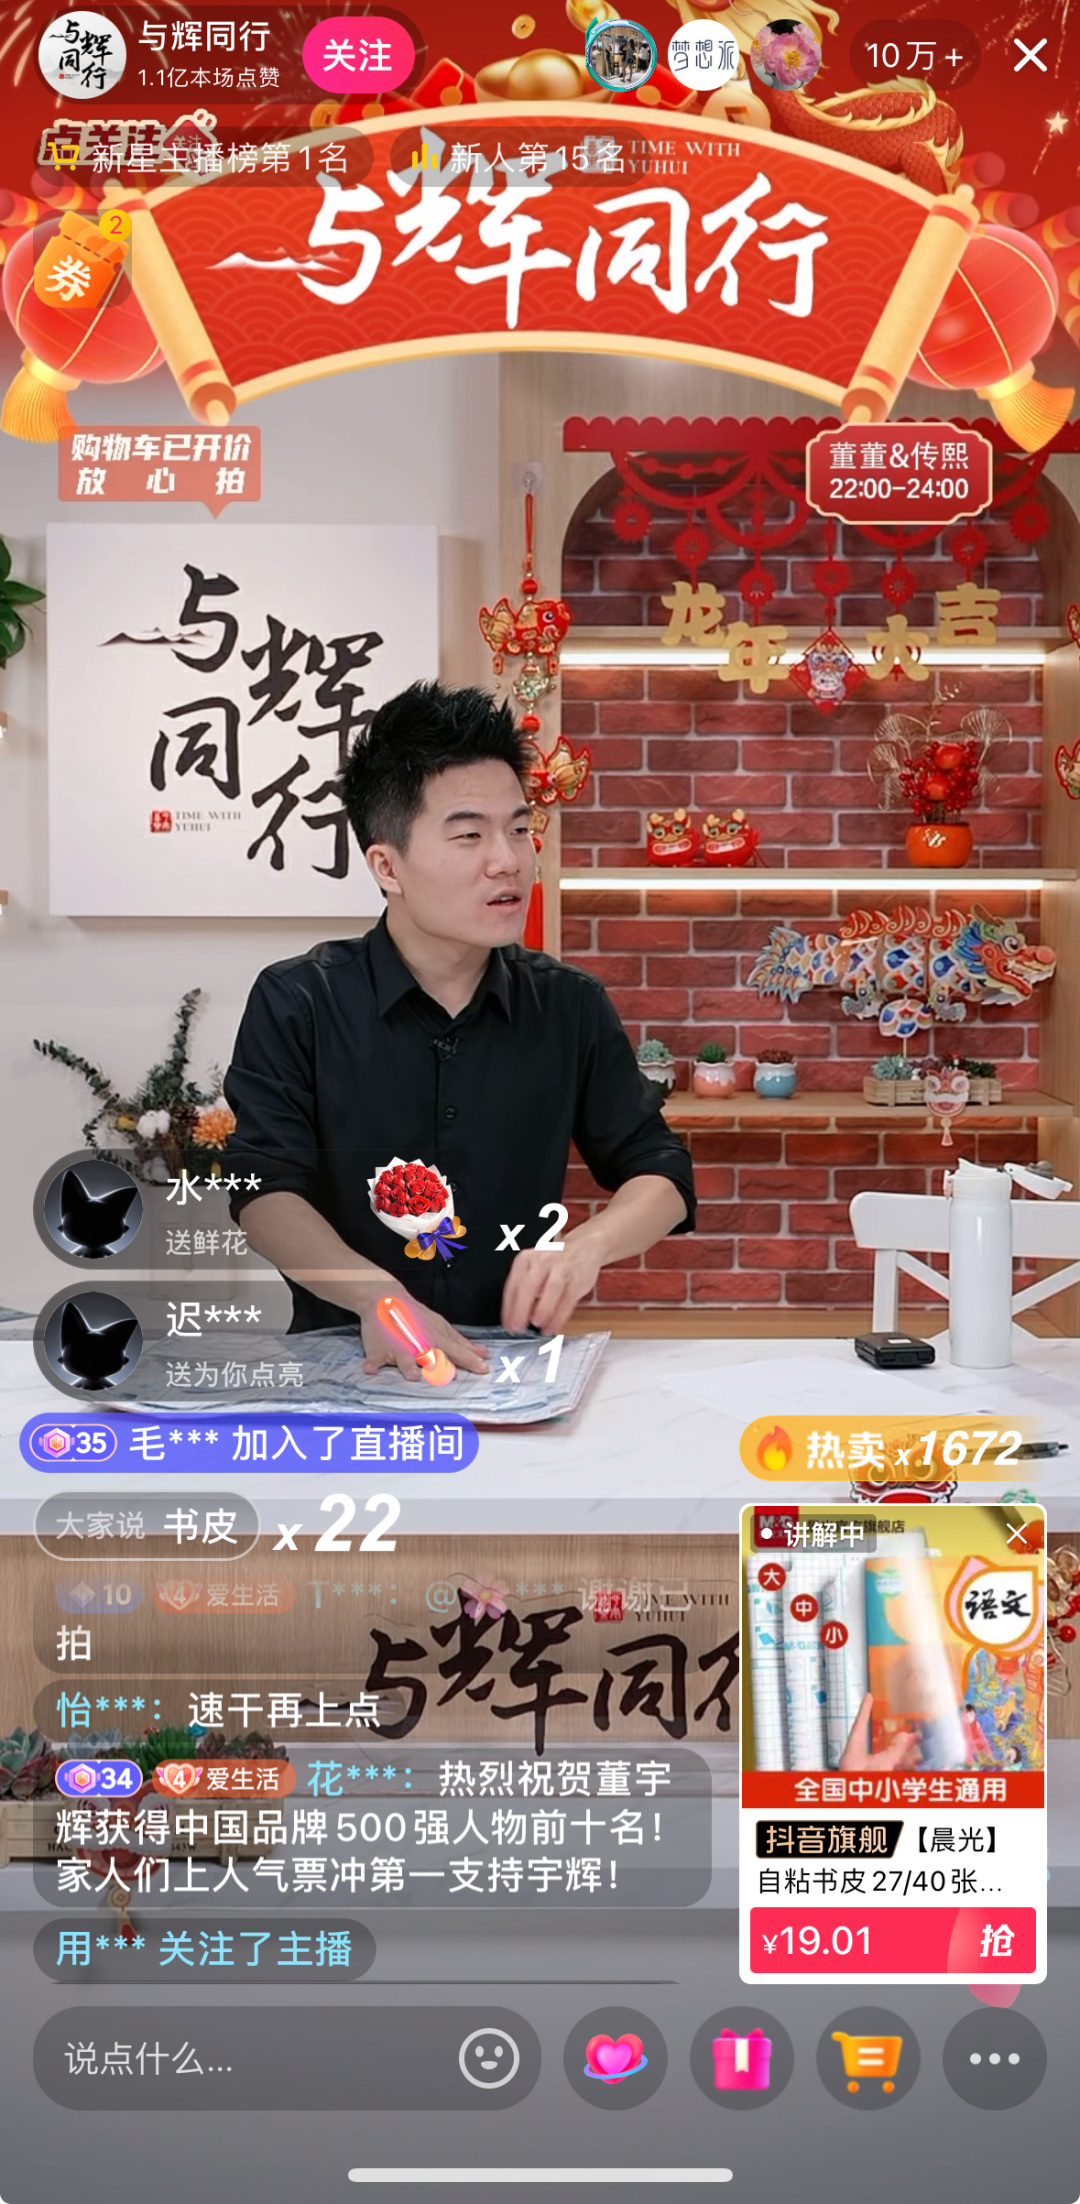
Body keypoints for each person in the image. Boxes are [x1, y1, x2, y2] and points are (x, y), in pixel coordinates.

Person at [224, 680, 695, 1382]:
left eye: (518, 829)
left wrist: (585, 1247)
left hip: (510, 1368)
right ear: (388, 866)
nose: (508, 860)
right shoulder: (299, 1001)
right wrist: (377, 1296)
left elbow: (660, 1171)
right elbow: (264, 1191)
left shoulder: (568, 1005)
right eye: (469, 834)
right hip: (348, 1363)